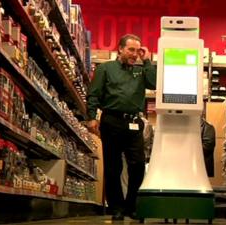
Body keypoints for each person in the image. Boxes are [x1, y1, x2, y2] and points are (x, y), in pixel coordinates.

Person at [86, 34, 156, 221]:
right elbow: (93, 94)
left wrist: (147, 60)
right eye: (131, 50)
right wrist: (92, 117)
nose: (134, 54)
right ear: (120, 49)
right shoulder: (106, 69)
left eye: (137, 50)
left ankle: (130, 205)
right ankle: (116, 207)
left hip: (134, 122)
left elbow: (155, 83)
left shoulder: (141, 71)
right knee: (112, 167)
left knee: (138, 165)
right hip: (112, 121)